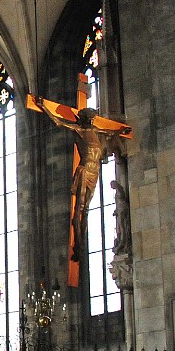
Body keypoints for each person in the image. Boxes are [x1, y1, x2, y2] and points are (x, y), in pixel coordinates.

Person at [34, 96, 127, 262]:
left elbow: (111, 132)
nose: (91, 122)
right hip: (84, 171)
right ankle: (78, 245)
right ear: (84, 120)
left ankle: (81, 242)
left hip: (95, 171)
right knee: (80, 208)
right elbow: (59, 122)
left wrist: (121, 131)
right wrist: (44, 107)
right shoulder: (80, 131)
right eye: (90, 119)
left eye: (93, 120)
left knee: (87, 209)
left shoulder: (96, 132)